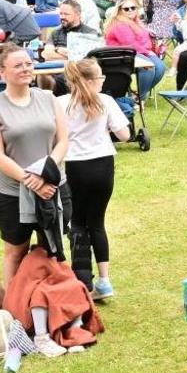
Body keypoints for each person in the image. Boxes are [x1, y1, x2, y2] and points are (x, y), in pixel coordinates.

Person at [0, 44, 70, 299]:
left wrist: (46, 175)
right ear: (2, 71)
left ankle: (50, 300)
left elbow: (62, 141)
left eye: (28, 63)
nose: (26, 69)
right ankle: (15, 304)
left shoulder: (48, 98)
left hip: (53, 186)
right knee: (16, 251)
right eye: (18, 65)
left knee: (51, 247)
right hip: (12, 192)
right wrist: (32, 181)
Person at [62, 57, 129, 300]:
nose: (103, 80)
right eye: (100, 77)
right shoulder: (106, 102)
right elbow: (124, 135)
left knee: (77, 221)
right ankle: (104, 280)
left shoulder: (61, 104)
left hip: (74, 166)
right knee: (97, 222)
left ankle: (82, 280)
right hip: (102, 165)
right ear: (90, 80)